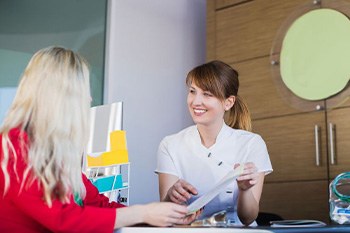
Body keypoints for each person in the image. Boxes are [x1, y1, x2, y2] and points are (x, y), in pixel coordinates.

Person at [0, 46, 198, 233]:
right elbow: (63, 219)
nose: (89, 100)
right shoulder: (14, 145)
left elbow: (99, 204)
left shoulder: (55, 153)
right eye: (83, 91)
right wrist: (142, 213)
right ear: (62, 96)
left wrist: (161, 214)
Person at [155, 60, 273, 226]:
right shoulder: (170, 145)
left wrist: (245, 190)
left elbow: (248, 217)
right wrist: (171, 196)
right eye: (192, 91)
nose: (195, 101)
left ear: (228, 102)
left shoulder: (252, 143)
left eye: (207, 94)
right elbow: (166, 216)